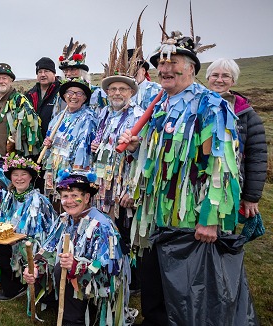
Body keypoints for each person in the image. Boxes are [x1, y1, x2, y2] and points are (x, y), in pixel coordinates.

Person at [118, 23, 243, 324]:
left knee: (188, 290)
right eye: (161, 63)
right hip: (155, 214)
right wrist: (137, 149)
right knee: (154, 280)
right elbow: (154, 159)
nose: (165, 68)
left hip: (191, 218)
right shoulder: (160, 104)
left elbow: (222, 167)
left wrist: (209, 220)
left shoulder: (210, 106)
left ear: (191, 69)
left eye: (173, 62)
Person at [23, 171, 130, 325]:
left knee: (62, 267)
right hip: (73, 282)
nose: (69, 201)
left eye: (74, 195)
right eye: (65, 196)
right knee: (49, 268)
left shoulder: (101, 225)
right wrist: (35, 267)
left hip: (99, 288)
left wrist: (76, 266)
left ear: (87, 198)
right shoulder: (64, 219)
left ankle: (74, 319)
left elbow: (107, 269)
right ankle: (62, 303)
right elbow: (49, 249)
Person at [91, 32, 143, 293]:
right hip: (102, 185)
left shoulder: (139, 116)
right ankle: (110, 271)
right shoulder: (103, 114)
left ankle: (130, 281)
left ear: (132, 92)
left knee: (125, 231)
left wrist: (132, 189)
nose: (117, 92)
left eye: (122, 88)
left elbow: (143, 157)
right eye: (112, 89)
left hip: (124, 187)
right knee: (105, 227)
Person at [0, 154, 57, 301]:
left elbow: (46, 235)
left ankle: (14, 286)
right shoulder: (9, 197)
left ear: (31, 178)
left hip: (28, 248)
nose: (19, 178)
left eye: (23, 175)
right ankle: (1, 275)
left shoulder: (40, 201)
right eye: (15, 175)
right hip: (7, 241)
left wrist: (20, 239)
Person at [206, 58, 267, 219]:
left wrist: (251, 197)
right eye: (215, 75)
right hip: (195, 186)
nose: (219, 80)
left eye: (225, 76)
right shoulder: (195, 105)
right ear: (208, 78)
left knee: (221, 235)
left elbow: (257, 157)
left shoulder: (246, 115)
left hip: (228, 190)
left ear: (233, 81)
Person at [41, 78, 97, 200]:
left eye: (79, 93)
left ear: (85, 98)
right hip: (55, 171)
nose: (74, 97)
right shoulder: (58, 118)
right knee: (56, 202)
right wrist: (49, 145)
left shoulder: (89, 119)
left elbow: (85, 152)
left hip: (74, 173)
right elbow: (51, 144)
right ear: (65, 96)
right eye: (70, 93)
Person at [0, 63, 42, 156]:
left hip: (7, 157)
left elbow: (31, 126)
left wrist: (16, 142)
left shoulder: (20, 101)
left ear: (11, 81)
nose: (1, 81)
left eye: (4, 78)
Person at [57, 37, 108, 114]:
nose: (69, 74)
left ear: (82, 72)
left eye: (73, 69)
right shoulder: (60, 95)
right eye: (66, 70)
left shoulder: (97, 93)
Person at [25, 57, 61, 140]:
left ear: (54, 73)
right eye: (39, 72)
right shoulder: (30, 94)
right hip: (35, 143)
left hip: (54, 141)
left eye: (46, 71)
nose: (43, 75)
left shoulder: (61, 92)